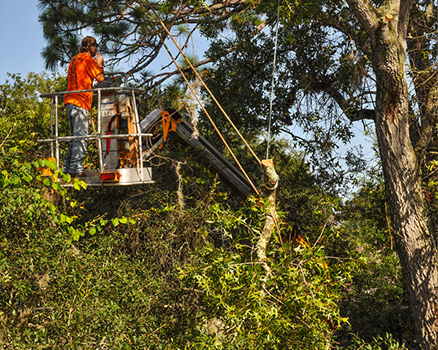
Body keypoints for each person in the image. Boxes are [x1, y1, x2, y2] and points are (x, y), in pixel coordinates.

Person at [63, 36, 105, 177]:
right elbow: (100, 78)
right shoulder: (88, 59)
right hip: (80, 103)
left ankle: (67, 169)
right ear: (92, 47)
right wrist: (100, 65)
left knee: (75, 138)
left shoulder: (74, 60)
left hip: (70, 102)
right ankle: (75, 170)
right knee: (81, 138)